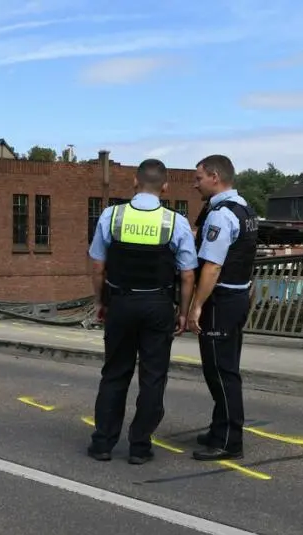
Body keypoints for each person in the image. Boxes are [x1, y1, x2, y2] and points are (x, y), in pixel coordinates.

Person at [87, 158, 198, 465]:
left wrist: (100, 302)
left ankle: (103, 444)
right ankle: (139, 446)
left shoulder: (111, 216)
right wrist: (184, 312)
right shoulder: (175, 222)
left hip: (120, 303)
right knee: (152, 377)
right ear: (165, 187)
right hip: (158, 305)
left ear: (134, 182)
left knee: (114, 373)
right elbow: (187, 273)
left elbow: (98, 265)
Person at [188, 155, 259, 461]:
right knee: (222, 367)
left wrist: (196, 305)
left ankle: (230, 440)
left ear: (214, 177)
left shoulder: (220, 215)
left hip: (222, 300)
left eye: (198, 178)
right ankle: (220, 428)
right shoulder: (244, 208)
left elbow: (212, 267)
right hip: (238, 296)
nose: (195, 184)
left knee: (220, 371)